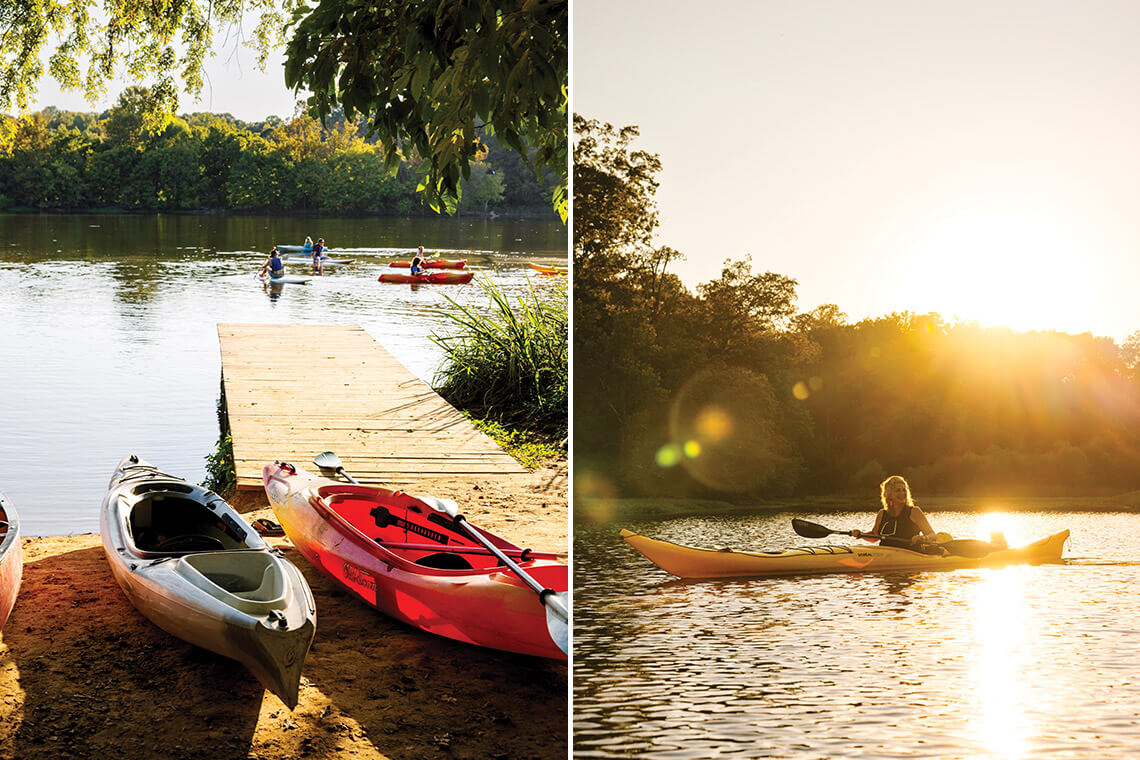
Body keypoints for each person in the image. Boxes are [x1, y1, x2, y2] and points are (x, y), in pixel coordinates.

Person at [852, 475, 941, 551]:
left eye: (904, 490)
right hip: (885, 553)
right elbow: (875, 536)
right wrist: (860, 534)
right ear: (889, 495)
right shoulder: (882, 514)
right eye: (898, 490)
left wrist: (923, 538)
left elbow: (932, 535)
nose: (902, 493)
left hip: (910, 554)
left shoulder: (914, 511)